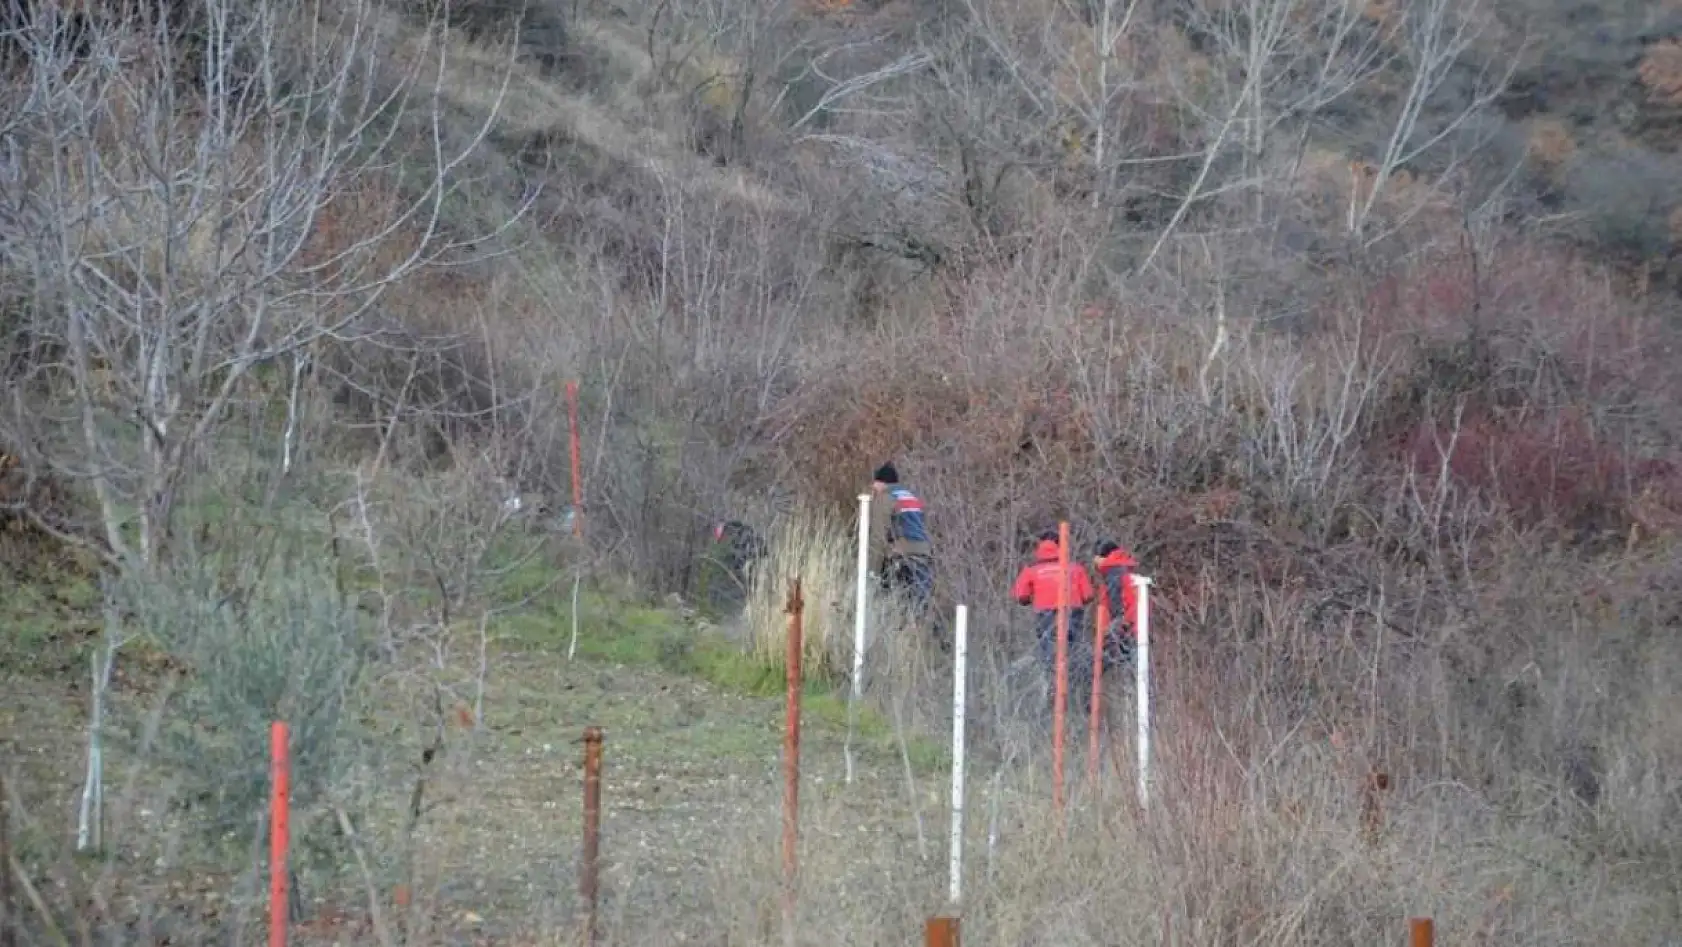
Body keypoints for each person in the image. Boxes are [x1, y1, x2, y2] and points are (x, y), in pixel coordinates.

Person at [1011, 531, 1096, 699]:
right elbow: (1088, 595)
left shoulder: (1031, 570)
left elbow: (1020, 595)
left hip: (1045, 613)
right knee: (1072, 648)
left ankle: (1051, 680)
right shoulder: (1075, 568)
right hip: (1072, 612)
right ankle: (1074, 682)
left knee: (1047, 649)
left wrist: (1032, 597)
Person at [868, 463, 935, 617]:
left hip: (901, 557)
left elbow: (878, 537)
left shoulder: (885, 498)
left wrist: (872, 572)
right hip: (923, 558)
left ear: (881, 483)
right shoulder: (911, 497)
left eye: (875, 484)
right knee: (918, 611)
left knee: (894, 609)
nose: (873, 488)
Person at [1091, 540, 1141, 670]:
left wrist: (1120, 625)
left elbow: (1116, 606)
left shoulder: (1114, 574)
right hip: (1133, 627)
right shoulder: (1123, 570)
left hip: (1128, 629)